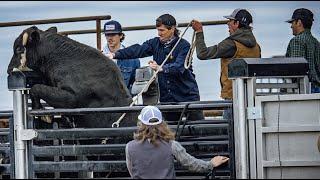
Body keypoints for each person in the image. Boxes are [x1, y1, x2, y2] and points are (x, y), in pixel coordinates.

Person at [106, 14, 204, 121]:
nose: (159, 33)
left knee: (198, 127)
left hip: (187, 95)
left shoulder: (184, 46)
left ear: (172, 29)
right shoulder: (155, 43)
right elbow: (138, 49)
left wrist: (161, 68)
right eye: (158, 30)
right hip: (167, 98)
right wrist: (116, 55)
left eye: (162, 30)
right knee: (170, 129)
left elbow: (180, 67)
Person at [191, 8, 261, 119]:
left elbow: (202, 54)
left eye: (230, 21)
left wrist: (199, 32)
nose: (228, 23)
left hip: (233, 98)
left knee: (230, 132)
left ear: (237, 23)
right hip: (250, 97)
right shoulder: (256, 46)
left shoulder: (231, 44)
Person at [125, 105, 229, 179]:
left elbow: (132, 170)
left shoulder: (129, 147)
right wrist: (210, 164)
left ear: (141, 124)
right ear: (162, 123)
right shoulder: (172, 145)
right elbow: (191, 164)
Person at [285, 8, 320, 93]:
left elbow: (296, 69)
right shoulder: (316, 42)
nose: (291, 26)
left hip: (305, 89)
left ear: (299, 23)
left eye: (293, 22)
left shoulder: (297, 41)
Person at [102, 20, 140, 94]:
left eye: (113, 35)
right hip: (104, 101)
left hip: (124, 101)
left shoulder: (133, 60)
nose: (109, 38)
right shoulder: (99, 57)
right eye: (107, 35)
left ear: (121, 35)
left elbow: (135, 84)